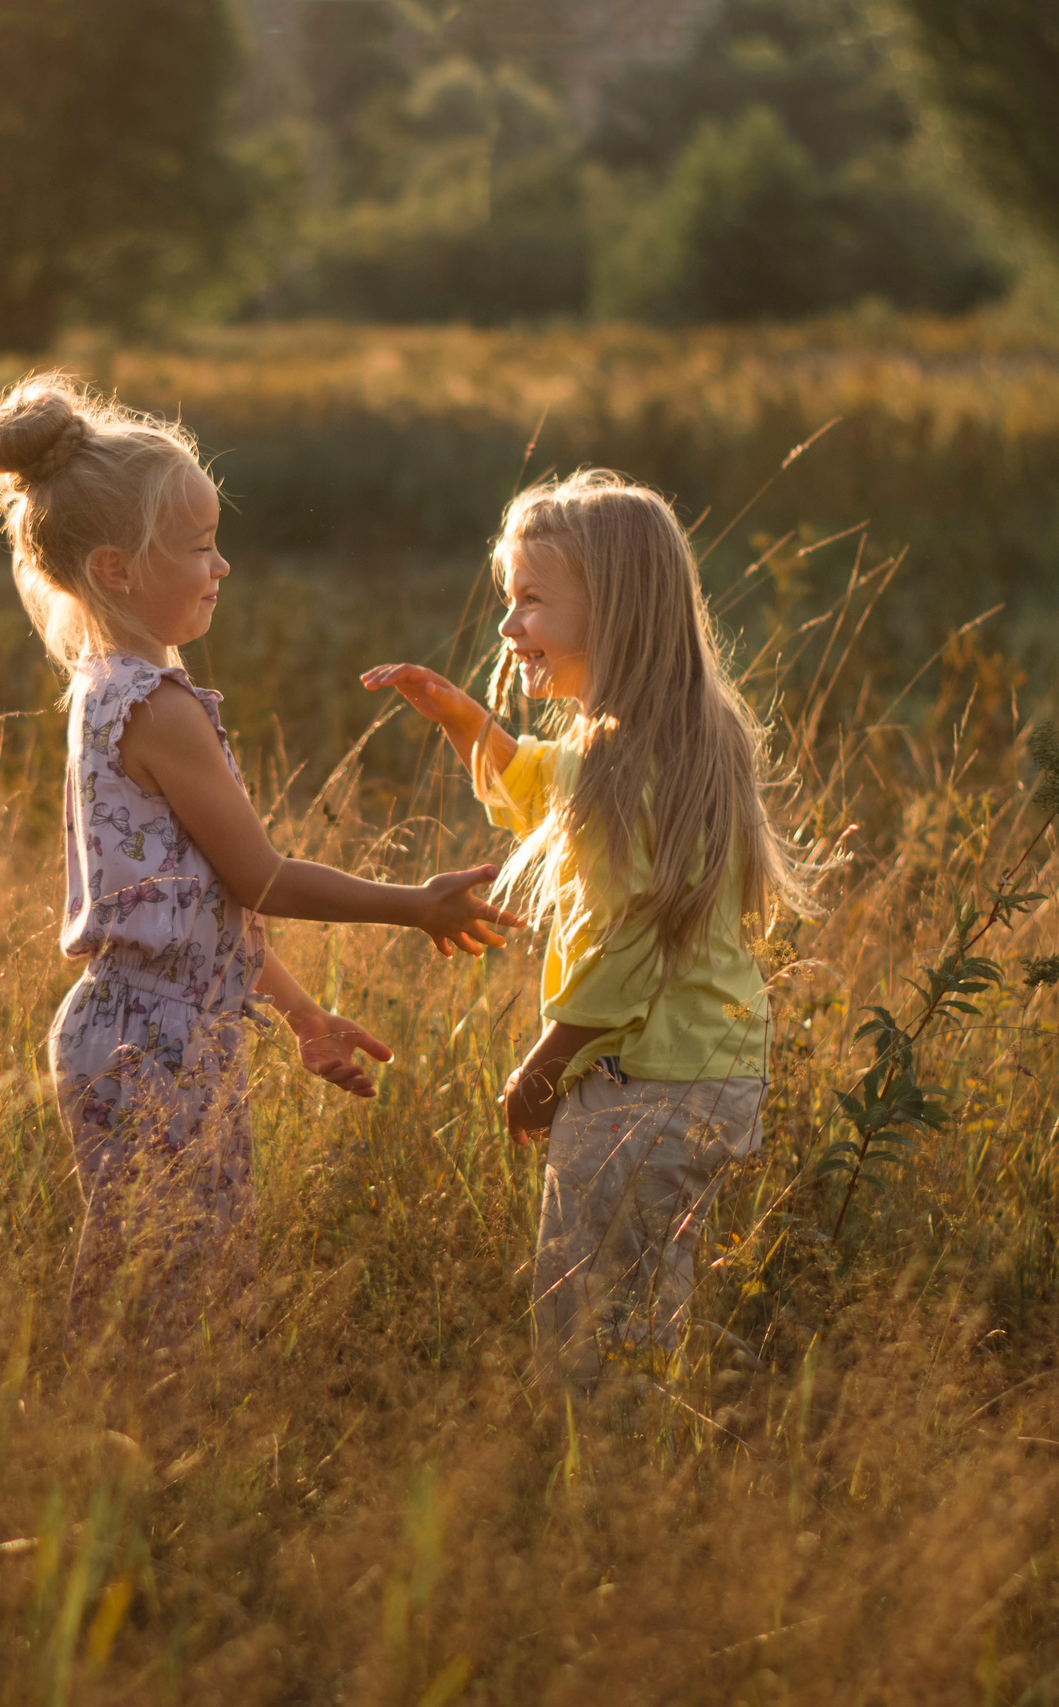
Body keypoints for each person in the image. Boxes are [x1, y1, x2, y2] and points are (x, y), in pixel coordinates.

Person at [0, 374, 521, 1346]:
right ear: (116, 570)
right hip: (154, 1048)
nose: (222, 565)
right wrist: (415, 904)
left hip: (142, 1028)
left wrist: (304, 1017)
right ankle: (137, 1467)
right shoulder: (159, 709)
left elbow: (194, 905)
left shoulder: (106, 691)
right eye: (196, 546)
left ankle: (119, 1460)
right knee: (171, 1304)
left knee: (156, 1288)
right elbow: (259, 879)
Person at [363, 469, 814, 1390]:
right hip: (702, 1072)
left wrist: (541, 1067)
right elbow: (544, 793)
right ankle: (637, 1463)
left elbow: (627, 948)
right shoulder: (672, 733)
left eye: (532, 600)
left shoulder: (625, 756)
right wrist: (467, 722)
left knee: (588, 1330)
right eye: (507, 598)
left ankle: (607, 1485)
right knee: (638, 1304)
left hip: (640, 1084)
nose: (507, 625)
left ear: (613, 609)